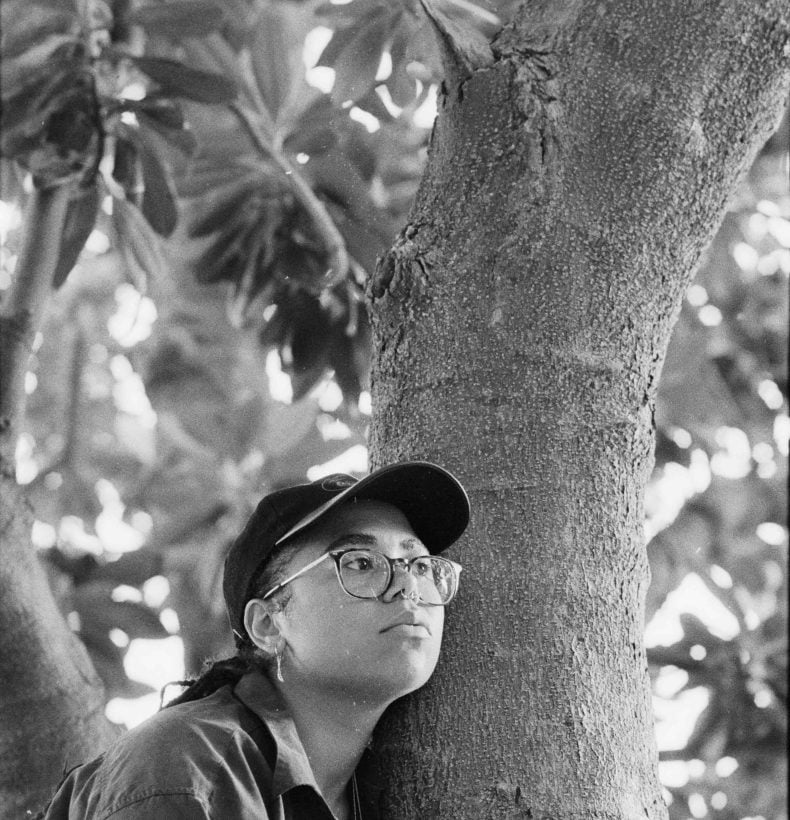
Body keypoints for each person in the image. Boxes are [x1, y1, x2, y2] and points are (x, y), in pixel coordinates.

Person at [39, 461, 470, 819]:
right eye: (360, 562)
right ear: (268, 624)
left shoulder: (366, 794)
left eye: (420, 565)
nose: (407, 587)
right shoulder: (190, 770)